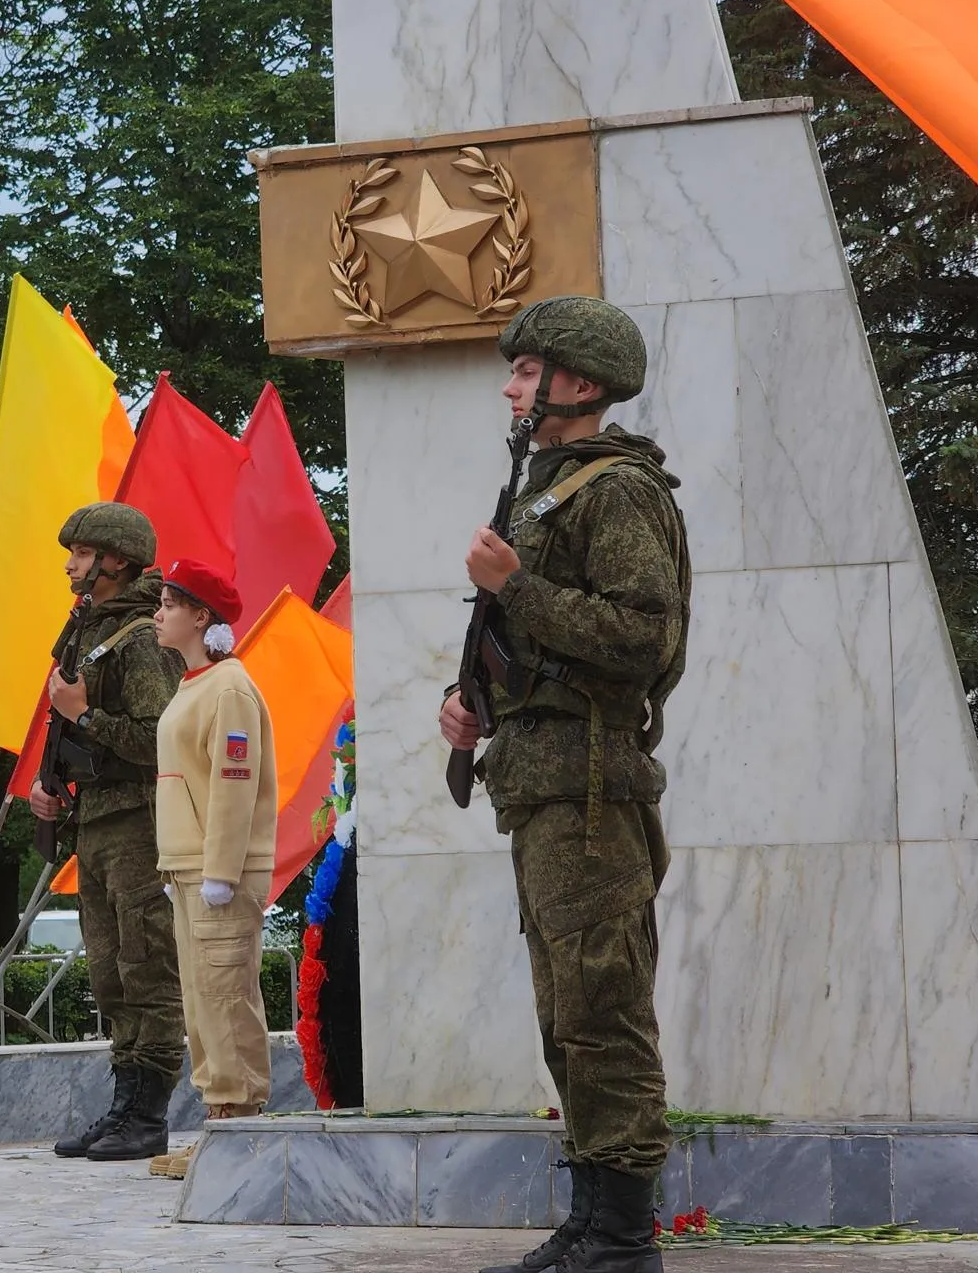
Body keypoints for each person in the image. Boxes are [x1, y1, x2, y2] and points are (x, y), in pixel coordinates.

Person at [439, 297, 691, 1273]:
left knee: (602, 1009)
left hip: (590, 794)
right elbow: (536, 651)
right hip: (541, 784)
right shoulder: (545, 489)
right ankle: (593, 1220)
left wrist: (515, 587)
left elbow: (640, 639)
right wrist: (473, 706)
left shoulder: (615, 491)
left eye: (525, 369)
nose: (509, 385)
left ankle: (624, 1236)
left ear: (576, 385)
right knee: (566, 1015)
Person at [34, 502, 187, 1162]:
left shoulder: (140, 638)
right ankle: (124, 1105)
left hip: (138, 822)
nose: (70, 563)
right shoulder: (89, 630)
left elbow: (164, 740)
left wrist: (86, 715)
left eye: (81, 552)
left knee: (144, 963)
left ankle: (149, 1118)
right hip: (96, 819)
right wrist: (54, 793)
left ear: (114, 561)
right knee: (108, 973)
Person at [144, 558, 276, 1181]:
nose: (158, 613)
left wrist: (223, 868)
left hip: (216, 871)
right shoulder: (195, 683)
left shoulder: (228, 687)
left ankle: (237, 1128)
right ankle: (221, 1124)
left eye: (171, 604)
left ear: (202, 616)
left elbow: (234, 782)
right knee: (202, 999)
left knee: (225, 997)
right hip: (190, 866)